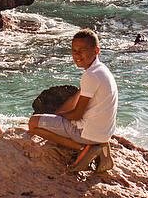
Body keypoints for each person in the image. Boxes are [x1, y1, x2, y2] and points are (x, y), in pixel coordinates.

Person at [26, 29, 117, 173]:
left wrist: (59, 117)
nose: (77, 55)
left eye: (82, 50)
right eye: (74, 50)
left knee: (33, 123)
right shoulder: (102, 70)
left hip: (87, 134)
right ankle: (98, 146)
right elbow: (77, 100)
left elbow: (77, 115)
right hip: (104, 133)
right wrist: (58, 116)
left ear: (96, 50)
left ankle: (84, 149)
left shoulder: (90, 75)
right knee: (54, 119)